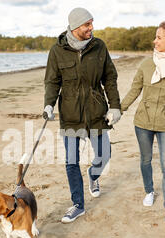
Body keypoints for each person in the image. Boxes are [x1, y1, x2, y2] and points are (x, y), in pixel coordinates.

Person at [43, 7, 121, 223]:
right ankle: (78, 204)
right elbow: (52, 81)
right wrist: (48, 105)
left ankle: (94, 175)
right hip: (70, 113)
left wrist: (115, 106)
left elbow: (110, 78)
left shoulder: (99, 47)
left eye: (92, 23)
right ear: (76, 27)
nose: (91, 28)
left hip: (97, 111)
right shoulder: (57, 51)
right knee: (71, 161)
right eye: (87, 24)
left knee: (104, 155)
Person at [121, 21, 165, 225]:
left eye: (159, 37)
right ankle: (149, 190)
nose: (155, 41)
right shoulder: (146, 64)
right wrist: (118, 110)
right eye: (155, 36)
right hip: (143, 122)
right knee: (145, 160)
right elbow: (134, 91)